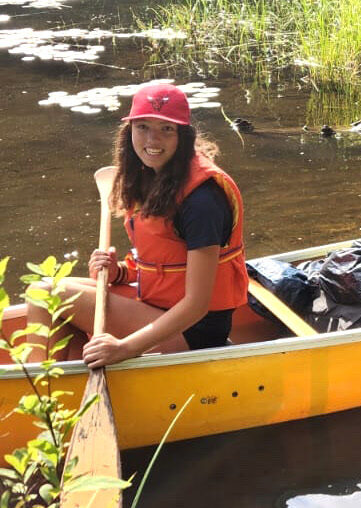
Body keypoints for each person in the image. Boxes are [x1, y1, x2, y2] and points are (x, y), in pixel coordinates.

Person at [27, 83, 249, 367]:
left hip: (194, 330)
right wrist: (120, 271)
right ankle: (67, 376)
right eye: (143, 127)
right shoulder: (154, 175)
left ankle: (36, 382)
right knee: (48, 289)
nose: (152, 139)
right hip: (158, 305)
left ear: (183, 135)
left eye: (166, 129)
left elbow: (197, 304)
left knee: (45, 294)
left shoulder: (202, 201)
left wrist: (124, 348)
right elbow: (165, 257)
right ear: (129, 130)